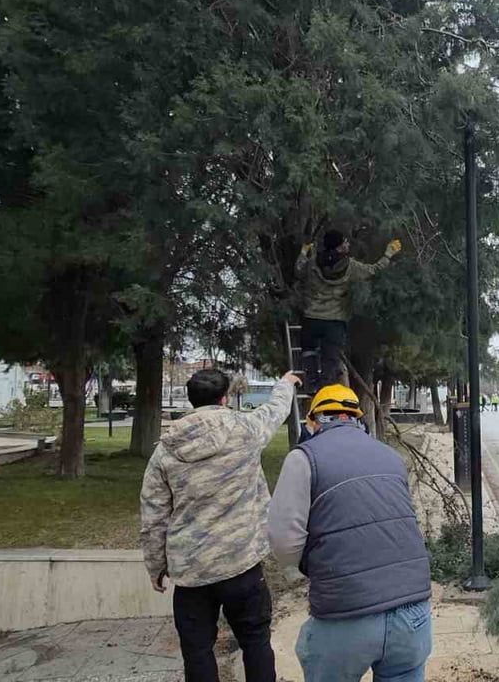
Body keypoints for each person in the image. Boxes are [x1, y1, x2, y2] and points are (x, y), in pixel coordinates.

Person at [139, 368, 301, 682]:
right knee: (256, 641)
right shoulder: (247, 429)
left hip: (192, 573)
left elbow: (153, 514)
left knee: (197, 650)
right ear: (225, 398)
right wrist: (285, 383)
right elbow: (276, 410)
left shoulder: (165, 450)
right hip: (242, 564)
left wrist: (156, 566)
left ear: (191, 400)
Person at [267, 384, 433, 682]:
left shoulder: (304, 458)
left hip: (346, 613)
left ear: (312, 421)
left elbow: (283, 542)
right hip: (413, 611)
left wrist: (307, 565)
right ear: (358, 419)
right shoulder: (391, 456)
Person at [298, 230, 402, 393]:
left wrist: (303, 252)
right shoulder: (350, 266)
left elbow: (298, 270)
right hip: (335, 321)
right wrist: (388, 254)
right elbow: (373, 270)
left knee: (308, 351)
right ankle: (324, 390)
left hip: (311, 318)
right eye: (345, 242)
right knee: (330, 358)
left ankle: (311, 384)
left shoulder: (312, 263)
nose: (348, 244)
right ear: (339, 247)